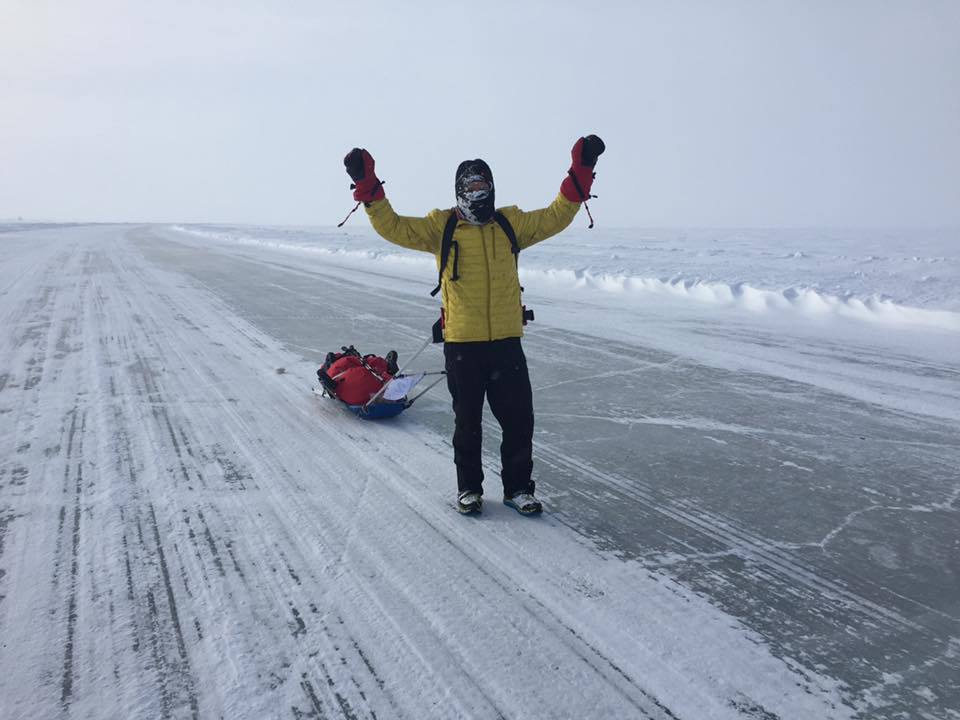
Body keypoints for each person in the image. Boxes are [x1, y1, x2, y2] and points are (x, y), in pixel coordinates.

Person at [342, 135, 605, 515]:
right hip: (463, 345)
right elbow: (394, 227)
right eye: (470, 186)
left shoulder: (510, 224)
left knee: (519, 422)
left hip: (507, 342)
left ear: (492, 187)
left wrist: (583, 168)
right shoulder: (441, 227)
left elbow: (557, 215)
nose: (477, 192)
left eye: (482, 185)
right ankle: (470, 489)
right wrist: (368, 185)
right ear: (459, 191)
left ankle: (518, 489)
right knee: (468, 424)